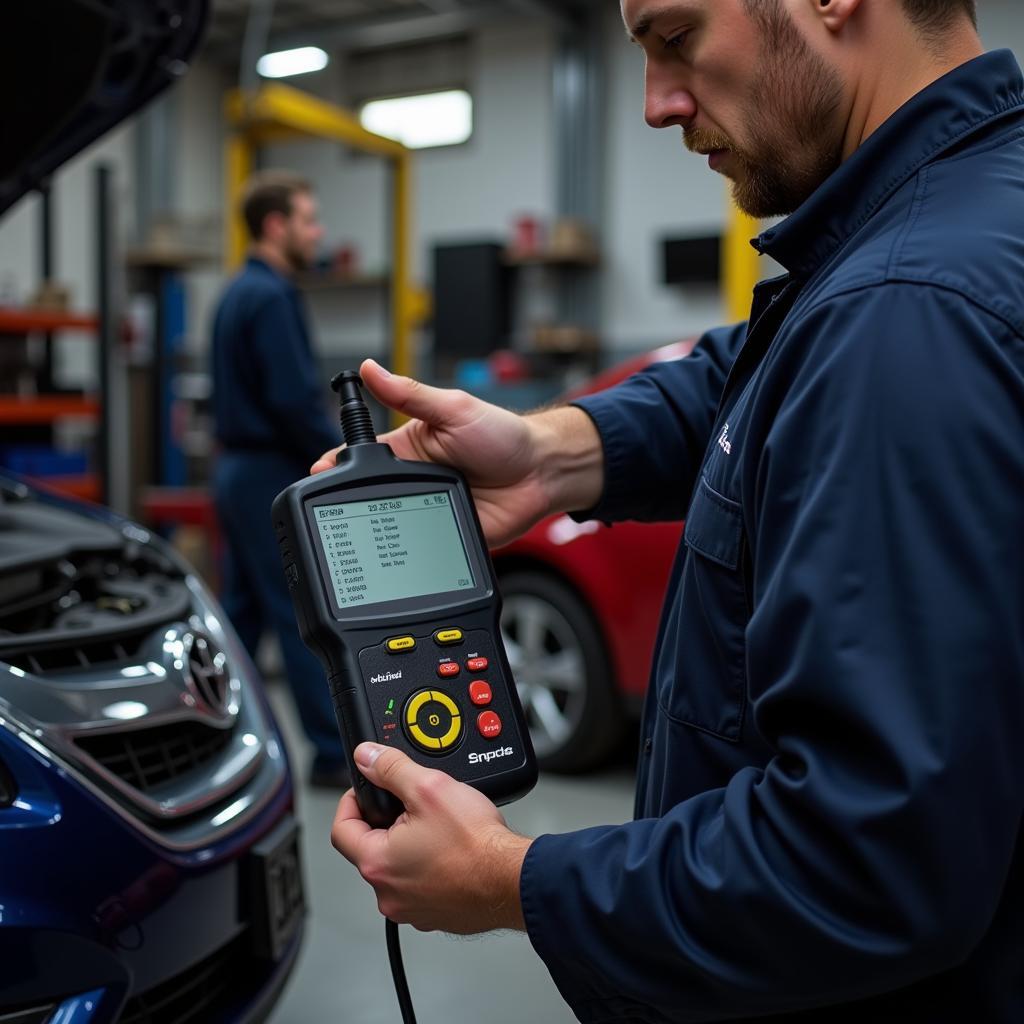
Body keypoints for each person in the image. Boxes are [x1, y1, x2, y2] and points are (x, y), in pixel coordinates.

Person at [323, 1, 1024, 1019]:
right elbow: (758, 372)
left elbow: (862, 859)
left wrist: (512, 879)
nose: (655, 103)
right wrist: (553, 453)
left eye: (674, 35)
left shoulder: (905, 308)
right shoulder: (962, 212)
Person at [211, 171, 348, 788]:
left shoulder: (238, 291)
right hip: (268, 470)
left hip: (237, 471)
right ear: (276, 225)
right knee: (301, 612)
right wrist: (337, 457)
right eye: (309, 219)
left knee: (240, 618)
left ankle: (211, 733)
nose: (317, 231)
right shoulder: (271, 297)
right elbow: (292, 397)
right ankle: (329, 753)